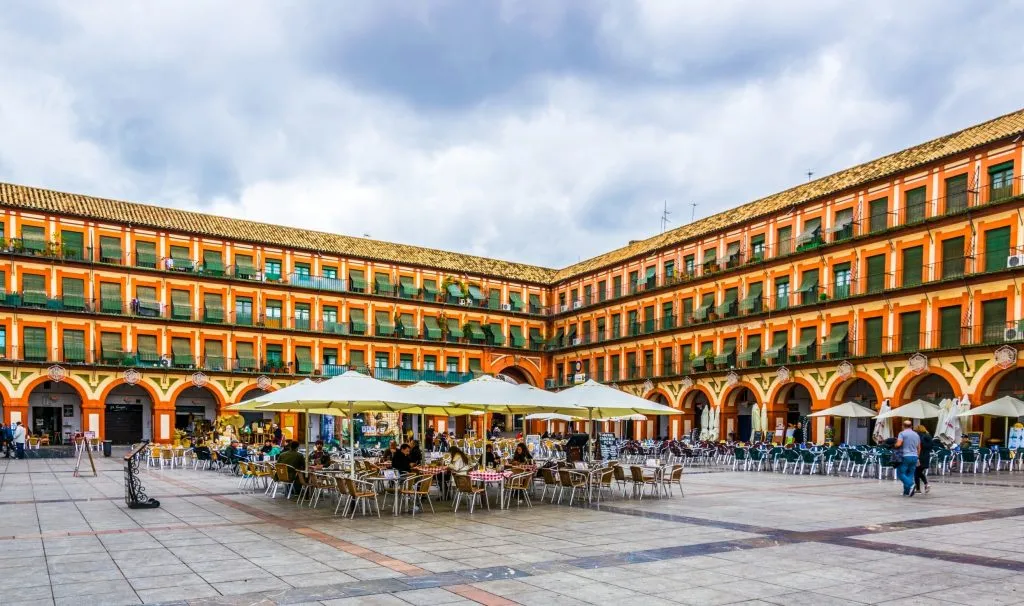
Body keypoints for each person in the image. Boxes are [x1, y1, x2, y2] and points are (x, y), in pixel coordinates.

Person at [894, 420, 922, 496]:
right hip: (915, 456)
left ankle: (911, 485)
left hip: (905, 456)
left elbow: (899, 444)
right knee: (910, 473)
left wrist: (895, 445)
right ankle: (906, 492)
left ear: (903, 426)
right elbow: (919, 447)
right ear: (911, 426)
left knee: (900, 473)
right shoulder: (916, 435)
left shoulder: (902, 433)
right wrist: (917, 456)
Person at [914, 425, 933, 495]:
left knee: (916, 473)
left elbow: (917, 446)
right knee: (919, 472)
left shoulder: (918, 437)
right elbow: (931, 446)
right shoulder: (928, 436)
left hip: (920, 456)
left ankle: (918, 489)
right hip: (926, 456)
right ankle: (926, 484)